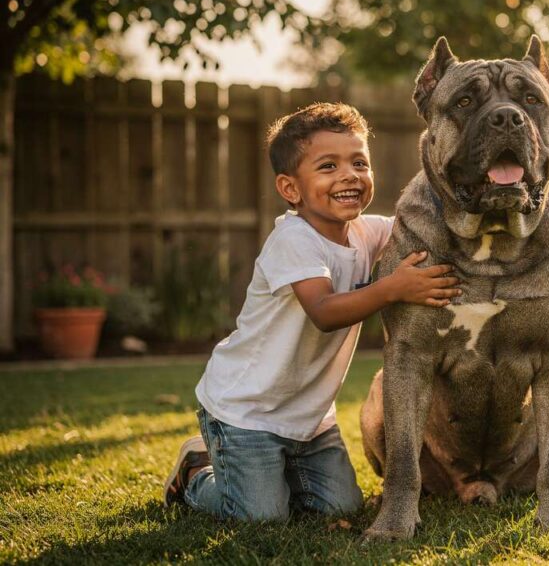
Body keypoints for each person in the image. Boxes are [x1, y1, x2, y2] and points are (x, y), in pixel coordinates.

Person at [162, 102, 461, 520]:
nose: (349, 175)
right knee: (261, 517)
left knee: (341, 507)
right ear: (290, 189)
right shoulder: (293, 240)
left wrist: (543, 187)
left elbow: (432, 220)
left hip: (310, 416)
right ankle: (196, 473)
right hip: (248, 410)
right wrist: (393, 288)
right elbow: (322, 310)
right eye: (328, 166)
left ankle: (275, 473)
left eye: (360, 162)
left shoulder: (366, 231)